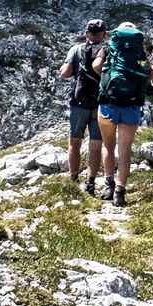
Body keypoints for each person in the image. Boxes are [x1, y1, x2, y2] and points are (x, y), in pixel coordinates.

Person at [95, 20, 153, 208]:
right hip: (131, 105)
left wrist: (107, 77)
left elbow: (95, 66)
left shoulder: (108, 49)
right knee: (124, 150)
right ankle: (120, 192)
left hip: (108, 102)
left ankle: (108, 185)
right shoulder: (141, 52)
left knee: (108, 145)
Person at [57, 19, 108, 197]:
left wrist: (67, 65)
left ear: (87, 34)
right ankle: (90, 183)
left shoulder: (76, 49)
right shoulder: (108, 51)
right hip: (100, 104)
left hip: (79, 102)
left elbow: (65, 73)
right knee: (96, 143)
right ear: (104, 34)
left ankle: (73, 178)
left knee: (74, 142)